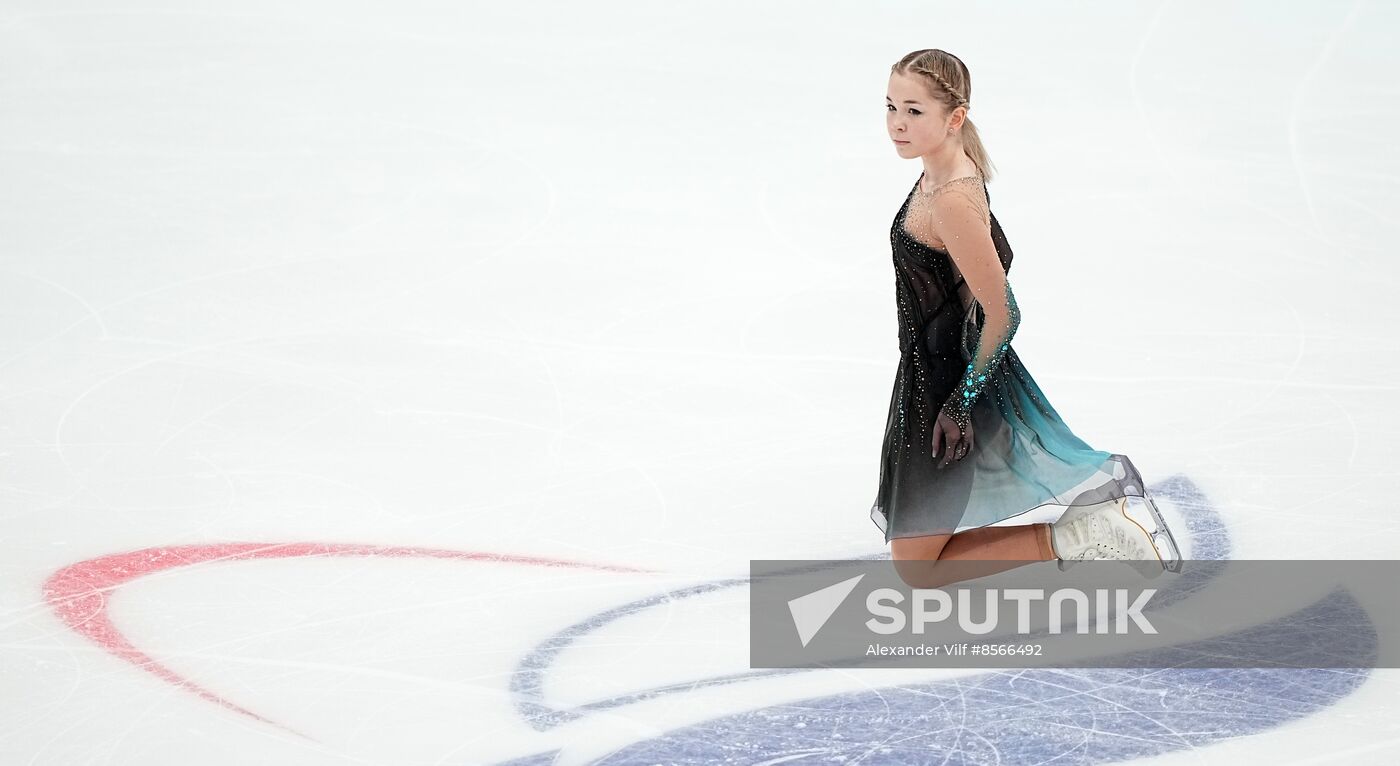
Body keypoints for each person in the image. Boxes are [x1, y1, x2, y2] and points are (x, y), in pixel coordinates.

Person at [873, 49, 1182, 588]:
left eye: (914, 111)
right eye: (891, 105)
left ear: (955, 118)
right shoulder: (941, 173)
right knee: (916, 557)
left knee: (918, 569)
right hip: (931, 371)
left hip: (947, 383)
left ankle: (1084, 533)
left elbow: (1005, 313)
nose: (898, 122)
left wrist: (960, 401)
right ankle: (1079, 533)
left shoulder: (952, 200)